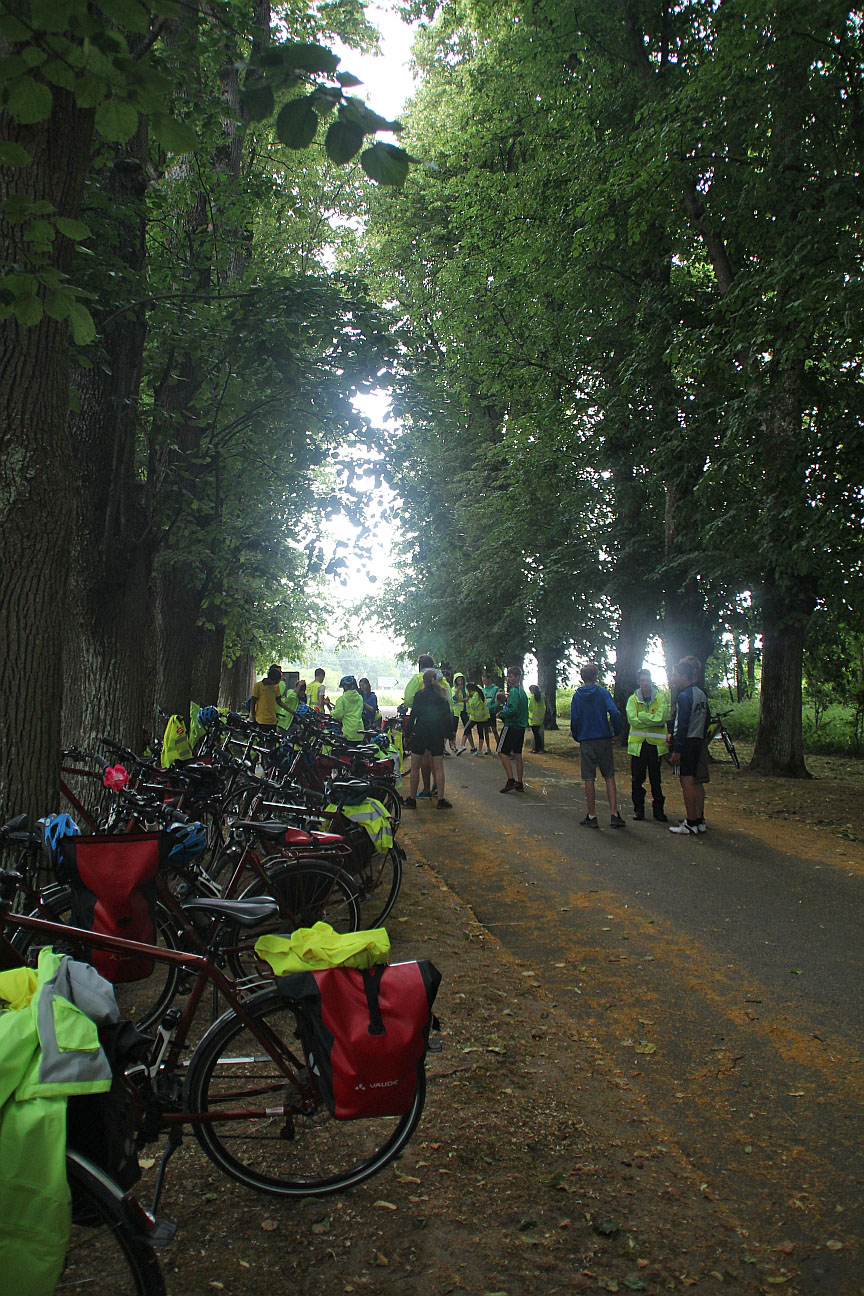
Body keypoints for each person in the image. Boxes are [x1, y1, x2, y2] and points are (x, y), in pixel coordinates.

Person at [570, 664, 625, 828]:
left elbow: (575, 719)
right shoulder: (602, 693)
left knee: (588, 777)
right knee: (609, 776)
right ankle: (614, 813)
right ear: (596, 676)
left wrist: (577, 735)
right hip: (603, 738)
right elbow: (615, 712)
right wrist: (617, 730)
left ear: (582, 677)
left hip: (586, 739)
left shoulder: (577, 696)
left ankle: (592, 815)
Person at [668, 657, 710, 835]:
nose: (674, 678)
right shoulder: (701, 694)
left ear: (684, 676)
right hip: (698, 739)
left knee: (687, 782)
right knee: (695, 782)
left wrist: (677, 749)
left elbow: (682, 724)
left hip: (687, 742)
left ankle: (691, 822)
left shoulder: (684, 696)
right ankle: (698, 820)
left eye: (676, 675)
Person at [403, 669, 453, 809]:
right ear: (435, 680)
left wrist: (407, 735)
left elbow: (413, 716)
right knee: (438, 767)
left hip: (420, 733)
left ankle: (412, 799)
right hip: (437, 734)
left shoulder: (419, 695)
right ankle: (441, 800)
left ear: (423, 681)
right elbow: (447, 718)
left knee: (415, 767)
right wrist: (450, 736)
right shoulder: (442, 695)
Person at [625, 668, 670, 821]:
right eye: (643, 680)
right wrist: (650, 717)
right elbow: (632, 719)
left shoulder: (660, 698)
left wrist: (642, 717)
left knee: (656, 780)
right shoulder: (632, 699)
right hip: (638, 746)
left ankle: (658, 810)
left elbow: (661, 718)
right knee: (637, 779)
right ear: (638, 681)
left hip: (655, 746)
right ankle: (639, 810)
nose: (646, 683)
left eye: (648, 680)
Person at [497, 666, 529, 793]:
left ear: (517, 677)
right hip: (520, 726)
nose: (509, 679)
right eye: (508, 676)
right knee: (517, 754)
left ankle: (511, 780)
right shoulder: (522, 692)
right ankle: (519, 782)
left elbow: (513, 709)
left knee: (501, 751)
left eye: (511, 676)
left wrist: (501, 714)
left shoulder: (515, 692)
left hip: (511, 725)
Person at [250, 665, 293, 729]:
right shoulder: (258, 686)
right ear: (270, 679)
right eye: (276, 681)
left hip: (273, 721)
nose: (276, 683)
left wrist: (291, 711)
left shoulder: (276, 687)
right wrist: (253, 719)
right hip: (260, 720)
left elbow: (279, 702)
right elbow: (253, 703)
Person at [331, 675, 365, 743]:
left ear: (345, 687)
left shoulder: (342, 699)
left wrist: (331, 712)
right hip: (360, 731)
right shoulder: (360, 698)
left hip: (348, 732)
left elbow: (338, 715)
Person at [463, 681, 492, 754]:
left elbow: (473, 705)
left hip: (476, 717)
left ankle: (462, 745)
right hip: (483, 717)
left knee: (467, 729)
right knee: (480, 733)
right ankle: (480, 750)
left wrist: (468, 700)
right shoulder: (480, 692)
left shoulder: (476, 694)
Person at [449, 672, 468, 754]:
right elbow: (454, 699)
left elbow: (468, 697)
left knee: (467, 727)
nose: (460, 681)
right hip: (456, 710)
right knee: (454, 729)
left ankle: (472, 746)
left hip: (465, 709)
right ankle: (453, 745)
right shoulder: (453, 689)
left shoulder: (466, 688)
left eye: (461, 680)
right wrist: (458, 690)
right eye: (458, 680)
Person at [527, 684, 546, 753]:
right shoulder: (542, 697)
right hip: (540, 718)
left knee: (536, 735)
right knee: (537, 735)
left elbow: (530, 708)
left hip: (533, 719)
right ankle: (539, 749)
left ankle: (537, 749)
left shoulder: (532, 697)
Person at [483, 672, 502, 741]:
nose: (484, 682)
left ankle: (499, 747)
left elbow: (498, 702)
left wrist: (491, 708)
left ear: (489, 679)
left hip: (492, 712)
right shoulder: (483, 690)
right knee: (485, 730)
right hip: (485, 713)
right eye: (483, 681)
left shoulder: (495, 688)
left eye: (485, 680)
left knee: (494, 730)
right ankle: (488, 748)